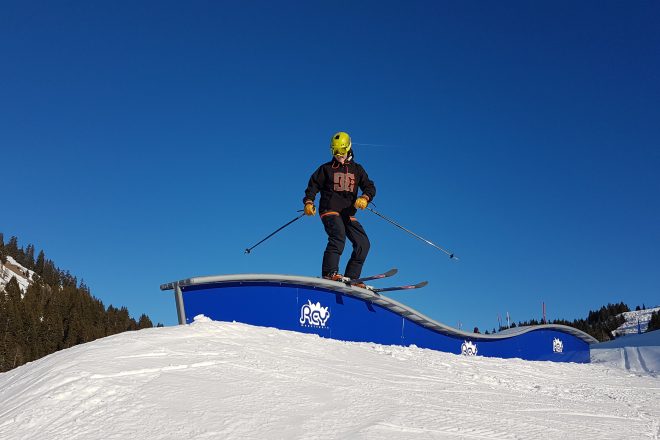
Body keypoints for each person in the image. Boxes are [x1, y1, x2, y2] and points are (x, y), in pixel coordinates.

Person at [303, 132, 376, 284]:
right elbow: (313, 185)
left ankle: (353, 277)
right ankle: (329, 273)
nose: (338, 155)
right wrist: (309, 202)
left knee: (363, 243)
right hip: (329, 210)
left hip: (347, 213)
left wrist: (365, 197)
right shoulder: (326, 169)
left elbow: (369, 186)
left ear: (348, 148)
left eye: (341, 151)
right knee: (338, 236)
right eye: (334, 151)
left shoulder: (357, 169)